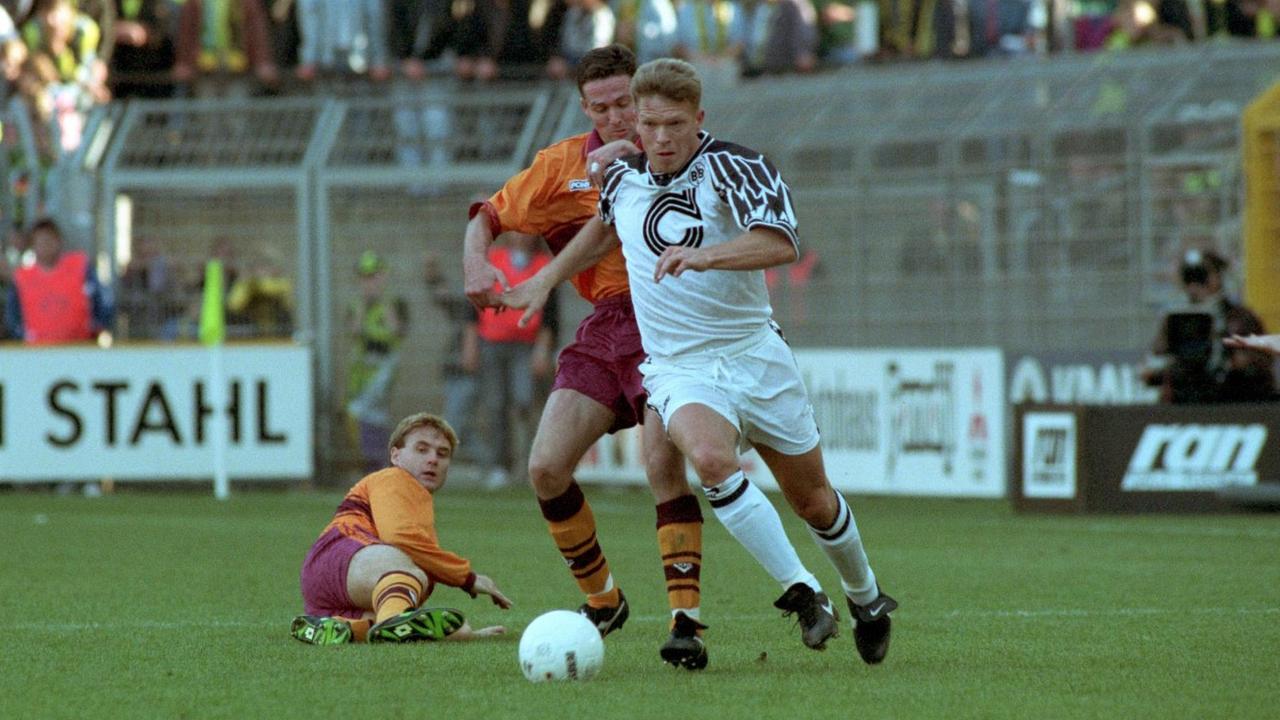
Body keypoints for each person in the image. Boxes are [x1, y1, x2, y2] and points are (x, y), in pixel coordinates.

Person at [506, 58, 897, 665]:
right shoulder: (620, 176)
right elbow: (606, 230)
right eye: (650, 124)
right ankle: (804, 592)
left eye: (674, 125)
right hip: (678, 364)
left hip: (753, 355)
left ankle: (866, 596)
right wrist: (547, 278)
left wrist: (706, 256)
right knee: (712, 459)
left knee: (813, 499)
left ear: (699, 119)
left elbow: (782, 242)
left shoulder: (737, 167)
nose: (660, 138)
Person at [462, 44, 710, 670]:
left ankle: (685, 622)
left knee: (662, 466)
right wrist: (474, 261)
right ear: (583, 107)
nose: (617, 117)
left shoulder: (683, 154)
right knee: (545, 467)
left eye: (625, 102)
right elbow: (487, 216)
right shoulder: (560, 168)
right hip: (606, 327)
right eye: (601, 107)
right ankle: (605, 601)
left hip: (669, 325)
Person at [291, 412, 512, 645]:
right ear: (396, 455)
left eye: (442, 453)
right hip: (340, 558)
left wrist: (469, 635)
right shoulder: (392, 478)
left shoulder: (416, 501)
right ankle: (392, 619)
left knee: (458, 629)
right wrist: (466, 577)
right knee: (412, 570)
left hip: (340, 584)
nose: (433, 459)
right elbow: (398, 537)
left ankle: (341, 627)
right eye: (422, 449)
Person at [471, 232, 557, 489]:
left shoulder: (544, 265)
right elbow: (474, 304)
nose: (521, 238)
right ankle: (499, 465)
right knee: (495, 404)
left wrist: (543, 350)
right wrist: (470, 344)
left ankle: (527, 463)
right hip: (492, 342)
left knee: (524, 401)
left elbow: (551, 313)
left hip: (526, 345)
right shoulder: (494, 259)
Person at [1141, 248, 1274, 403]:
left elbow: (1262, 361)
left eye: (1201, 276)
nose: (1195, 284)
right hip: (1185, 397)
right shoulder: (1176, 318)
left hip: (1231, 398)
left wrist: (1232, 358)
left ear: (1218, 277)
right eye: (1189, 277)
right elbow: (1155, 361)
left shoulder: (1238, 317)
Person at [346, 250, 409, 474]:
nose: (368, 282)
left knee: (373, 415)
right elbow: (354, 331)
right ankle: (376, 461)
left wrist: (384, 304)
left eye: (373, 276)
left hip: (383, 367)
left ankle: (379, 463)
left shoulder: (393, 303)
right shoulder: (357, 305)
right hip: (362, 370)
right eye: (364, 277)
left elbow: (397, 331)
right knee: (361, 415)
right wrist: (364, 305)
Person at [6, 218, 113, 344]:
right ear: (32, 245)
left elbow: (102, 298)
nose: (46, 246)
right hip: (37, 353)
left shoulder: (80, 266)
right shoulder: (22, 277)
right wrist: (22, 336)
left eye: (50, 240)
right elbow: (13, 315)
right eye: (40, 241)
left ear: (59, 241)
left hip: (80, 348)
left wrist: (96, 327)